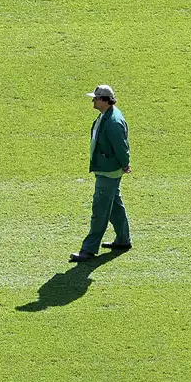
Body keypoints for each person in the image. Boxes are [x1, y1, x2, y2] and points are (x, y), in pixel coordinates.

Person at [70, 85, 132, 262]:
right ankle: (123, 239)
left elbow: (121, 147)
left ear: (105, 100)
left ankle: (88, 250)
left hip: (108, 171)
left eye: (95, 98)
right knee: (114, 205)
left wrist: (125, 164)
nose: (93, 100)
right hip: (106, 169)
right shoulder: (106, 115)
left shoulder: (113, 122)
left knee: (100, 210)